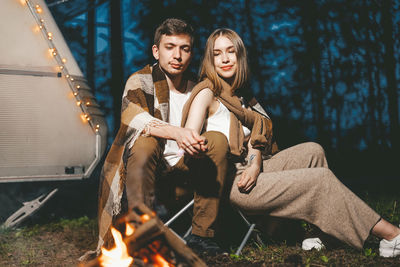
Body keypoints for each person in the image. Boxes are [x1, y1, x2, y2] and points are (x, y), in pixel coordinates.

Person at [181, 28, 400, 257]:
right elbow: (190, 135)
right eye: (217, 53)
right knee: (320, 180)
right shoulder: (207, 92)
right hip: (229, 182)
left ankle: (319, 233)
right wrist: (193, 144)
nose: (225, 59)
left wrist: (255, 165)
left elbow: (259, 135)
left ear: (240, 56)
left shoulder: (242, 96)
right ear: (210, 59)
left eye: (230, 51)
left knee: (313, 151)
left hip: (248, 167)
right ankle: (391, 235)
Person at [95, 19, 229, 256]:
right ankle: (141, 234)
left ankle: (202, 236)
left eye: (184, 48)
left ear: (191, 53)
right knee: (145, 141)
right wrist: (178, 133)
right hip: (150, 180)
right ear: (156, 51)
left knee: (216, 138)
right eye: (170, 47)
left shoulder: (200, 88)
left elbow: (231, 115)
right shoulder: (141, 80)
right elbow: (132, 116)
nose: (177, 55)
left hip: (189, 174)